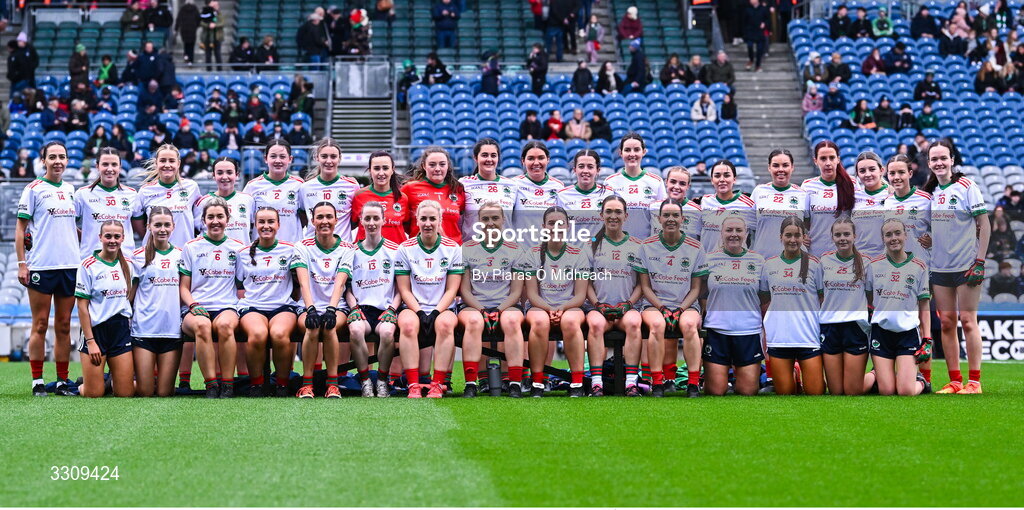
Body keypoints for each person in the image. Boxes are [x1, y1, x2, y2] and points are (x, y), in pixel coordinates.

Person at [923, 140, 989, 394]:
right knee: (948, 322)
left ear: (952, 160)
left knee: (968, 320)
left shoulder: (966, 186)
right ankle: (955, 381)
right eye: (934, 159)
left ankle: (974, 382)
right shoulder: (931, 193)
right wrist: (930, 240)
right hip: (940, 268)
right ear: (929, 164)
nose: (939, 163)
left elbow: (984, 225)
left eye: (943, 158)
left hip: (966, 266)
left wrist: (980, 261)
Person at [17, 142, 79, 396]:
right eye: (52, 157)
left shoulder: (71, 189)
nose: (57, 161)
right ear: (43, 160)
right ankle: (37, 382)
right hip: (42, 265)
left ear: (66, 160)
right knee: (40, 324)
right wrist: (23, 264)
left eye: (62, 157)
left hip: (70, 265)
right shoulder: (33, 189)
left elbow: (71, 228)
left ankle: (62, 381)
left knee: (64, 325)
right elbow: (21, 229)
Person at [635, 198, 707, 397]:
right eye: (666, 215)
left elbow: (696, 288)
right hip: (654, 304)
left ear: (683, 219)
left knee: (690, 326)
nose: (671, 219)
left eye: (675, 215)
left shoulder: (695, 247)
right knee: (657, 326)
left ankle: (693, 383)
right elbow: (645, 286)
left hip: (686, 304)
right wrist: (662, 308)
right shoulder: (646, 246)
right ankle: (657, 382)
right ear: (659, 219)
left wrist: (681, 309)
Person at [232, 207, 305, 398]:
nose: (266, 226)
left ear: (278, 225)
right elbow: (239, 285)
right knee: (257, 334)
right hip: (253, 307)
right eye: (261, 222)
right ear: (255, 225)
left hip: (282, 307)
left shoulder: (290, 250)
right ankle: (256, 385)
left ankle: (282, 384)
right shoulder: (243, 253)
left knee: (280, 334)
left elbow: (297, 283)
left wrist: (291, 299)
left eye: (271, 221)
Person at [457, 202, 528, 397]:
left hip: (507, 304)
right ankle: (472, 383)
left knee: (512, 321)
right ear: (479, 222)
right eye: (485, 219)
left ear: (503, 220)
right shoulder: (467, 248)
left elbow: (515, 292)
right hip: (474, 305)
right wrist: (482, 310)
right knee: (473, 322)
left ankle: (514, 382)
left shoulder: (514, 249)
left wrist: (497, 310)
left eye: (495, 218)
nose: (490, 223)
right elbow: (465, 290)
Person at [395, 200, 464, 398]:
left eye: (432, 219)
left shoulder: (452, 248)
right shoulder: (405, 248)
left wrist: (435, 312)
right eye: (423, 218)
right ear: (416, 220)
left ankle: (438, 383)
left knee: (444, 326)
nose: (427, 223)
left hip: (443, 307)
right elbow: (404, 289)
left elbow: (452, 289)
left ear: (440, 220)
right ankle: (413, 383)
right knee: (408, 325)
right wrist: (418, 311)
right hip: (413, 306)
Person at [521, 206, 588, 397]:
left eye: (561, 223)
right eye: (551, 223)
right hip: (540, 305)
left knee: (570, 321)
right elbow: (532, 294)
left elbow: (580, 295)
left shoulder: (578, 254)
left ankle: (577, 382)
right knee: (539, 322)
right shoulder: (532, 254)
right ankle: (538, 382)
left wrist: (562, 308)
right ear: (543, 226)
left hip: (571, 305)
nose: (556, 227)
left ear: (567, 226)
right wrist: (550, 308)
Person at [579, 196, 643, 397]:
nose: (613, 216)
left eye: (618, 212)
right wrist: (597, 304)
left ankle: (631, 382)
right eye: (609, 212)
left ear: (626, 215)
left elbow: (642, 283)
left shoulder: (637, 245)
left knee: (634, 323)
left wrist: (628, 304)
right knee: (596, 325)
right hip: (599, 308)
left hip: (628, 308)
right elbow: (585, 282)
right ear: (601, 215)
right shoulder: (590, 244)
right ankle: (596, 383)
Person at [861, 219, 932, 396]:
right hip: (881, 333)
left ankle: (922, 382)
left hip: (907, 334)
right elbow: (869, 299)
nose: (894, 238)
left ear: (905, 235)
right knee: (886, 391)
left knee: (906, 391)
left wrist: (927, 338)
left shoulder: (919, 266)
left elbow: (924, 305)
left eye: (897, 233)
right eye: (888, 234)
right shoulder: (873, 265)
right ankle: (878, 373)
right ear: (883, 238)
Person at [759, 217, 825, 395]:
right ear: (781, 237)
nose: (793, 240)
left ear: (804, 237)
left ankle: (798, 371)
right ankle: (795, 374)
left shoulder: (815, 264)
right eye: (788, 235)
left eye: (797, 235)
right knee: (786, 394)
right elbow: (765, 299)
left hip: (808, 336)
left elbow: (821, 297)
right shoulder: (769, 265)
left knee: (815, 393)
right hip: (780, 338)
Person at [294, 202, 354, 398]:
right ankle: (307, 384)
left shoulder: (346, 248)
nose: (324, 221)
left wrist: (330, 309)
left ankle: (332, 384)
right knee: (312, 328)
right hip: (308, 305)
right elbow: (304, 282)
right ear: (312, 221)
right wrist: (310, 309)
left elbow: (340, 283)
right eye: (320, 217)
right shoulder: (303, 246)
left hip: (336, 306)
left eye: (329, 217)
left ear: (336, 220)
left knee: (329, 326)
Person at [701, 215, 764, 395]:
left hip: (748, 331)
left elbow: (765, 297)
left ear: (746, 233)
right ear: (721, 233)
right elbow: (701, 292)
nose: (734, 234)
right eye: (729, 230)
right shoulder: (708, 259)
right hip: (717, 331)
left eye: (738, 230)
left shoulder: (758, 261)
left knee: (747, 392)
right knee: (716, 392)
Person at [345, 201, 401, 396]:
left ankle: (383, 380)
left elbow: (401, 287)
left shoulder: (395, 250)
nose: (371, 222)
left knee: (387, 333)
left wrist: (393, 309)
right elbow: (347, 287)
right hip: (361, 309)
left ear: (384, 220)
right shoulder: (352, 252)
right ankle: (365, 380)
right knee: (355, 329)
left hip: (385, 308)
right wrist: (353, 308)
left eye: (376, 218)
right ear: (360, 221)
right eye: (367, 218)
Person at [76, 220, 135, 398]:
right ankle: (83, 385)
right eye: (108, 236)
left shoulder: (129, 266)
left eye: (117, 236)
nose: (112, 240)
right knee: (93, 394)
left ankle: (109, 381)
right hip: (96, 332)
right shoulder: (88, 266)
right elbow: (82, 306)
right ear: (100, 237)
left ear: (123, 238)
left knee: (125, 394)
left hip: (120, 329)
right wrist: (91, 341)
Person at [129, 206, 182, 397]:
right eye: (157, 225)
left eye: (167, 225)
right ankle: (114, 381)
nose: (162, 229)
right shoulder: (137, 256)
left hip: (172, 332)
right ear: (149, 226)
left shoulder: (181, 256)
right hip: (144, 330)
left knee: (165, 393)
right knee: (145, 392)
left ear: (173, 226)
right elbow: (130, 295)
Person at [817, 217, 871, 395]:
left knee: (852, 391)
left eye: (847, 234)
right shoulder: (824, 261)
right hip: (830, 326)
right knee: (835, 392)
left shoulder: (866, 262)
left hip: (855, 327)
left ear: (855, 236)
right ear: (832, 237)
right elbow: (819, 293)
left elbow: (871, 296)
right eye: (838, 235)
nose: (842, 238)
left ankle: (875, 375)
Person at [132, 145, 201, 249]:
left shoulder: (191, 187)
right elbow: (137, 222)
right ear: (156, 163)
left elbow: (199, 220)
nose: (167, 165)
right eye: (163, 161)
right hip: (153, 253)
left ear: (178, 163)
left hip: (183, 253)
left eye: (172, 161)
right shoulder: (145, 191)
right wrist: (149, 237)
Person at [75, 148, 137, 261]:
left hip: (125, 260)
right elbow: (68, 225)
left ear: (120, 166)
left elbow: (140, 227)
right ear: (97, 166)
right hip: (92, 262)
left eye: (114, 164)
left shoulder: (132, 194)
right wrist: (86, 238)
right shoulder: (82, 194)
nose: (110, 169)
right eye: (105, 164)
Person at [603, 134, 667, 239]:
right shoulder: (610, 182)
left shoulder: (656, 181)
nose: (632, 154)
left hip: (647, 245)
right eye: (627, 150)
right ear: (620, 153)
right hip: (618, 244)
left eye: (636, 149)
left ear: (644, 152)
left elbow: (663, 217)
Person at [242, 140, 304, 243]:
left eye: (282, 157)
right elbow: (245, 220)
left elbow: (306, 217)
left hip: (291, 250)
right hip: (261, 251)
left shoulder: (299, 184)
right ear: (265, 159)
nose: (278, 161)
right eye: (273, 156)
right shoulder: (252, 186)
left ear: (290, 159)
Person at [400, 147, 465, 243]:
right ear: (424, 166)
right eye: (432, 165)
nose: (437, 169)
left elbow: (462, 222)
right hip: (420, 251)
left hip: (453, 252)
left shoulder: (457, 189)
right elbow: (400, 222)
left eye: (442, 164)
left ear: (448, 166)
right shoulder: (409, 189)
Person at [803, 141, 856, 257]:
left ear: (838, 159)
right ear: (815, 161)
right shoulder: (807, 186)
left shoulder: (851, 184)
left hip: (845, 255)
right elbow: (804, 220)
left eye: (832, 158)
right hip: (816, 253)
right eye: (823, 158)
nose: (828, 163)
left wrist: (889, 188)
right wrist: (802, 234)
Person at [299, 139, 360, 241]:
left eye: (333, 156)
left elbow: (354, 221)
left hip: (342, 249)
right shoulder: (305, 187)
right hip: (313, 249)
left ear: (339, 158)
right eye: (324, 156)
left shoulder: (352, 186)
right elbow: (302, 217)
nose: (329, 161)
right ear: (317, 157)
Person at [459, 139, 519, 242]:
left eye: (493, 155)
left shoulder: (512, 185)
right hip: (473, 251)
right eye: (484, 155)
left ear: (498, 158)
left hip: (505, 251)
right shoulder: (463, 184)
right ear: (475, 158)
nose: (489, 159)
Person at [751, 149, 808, 256]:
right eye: (776, 165)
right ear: (769, 167)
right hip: (763, 259)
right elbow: (748, 228)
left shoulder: (803, 194)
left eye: (785, 165)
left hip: (795, 260)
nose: (780, 169)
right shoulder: (758, 192)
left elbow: (811, 225)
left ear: (792, 167)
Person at [513, 141, 564, 248]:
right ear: (523, 161)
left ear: (548, 159)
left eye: (541, 158)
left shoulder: (558, 186)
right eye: (531, 158)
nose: (536, 162)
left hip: (548, 251)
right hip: (521, 252)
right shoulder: (514, 184)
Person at [193, 157, 255, 244]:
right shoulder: (202, 202)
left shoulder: (248, 200)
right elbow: (196, 232)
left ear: (237, 175)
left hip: (241, 256)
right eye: (220, 173)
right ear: (213, 175)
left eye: (229, 172)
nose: (225, 177)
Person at [351, 151, 409, 244]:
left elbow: (409, 228)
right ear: (370, 170)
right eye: (377, 168)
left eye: (385, 168)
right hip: (366, 255)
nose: (381, 173)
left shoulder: (402, 198)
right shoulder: (359, 196)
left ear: (392, 170)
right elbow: (350, 225)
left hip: (394, 255)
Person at [699, 159, 757, 252]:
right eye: (717, 176)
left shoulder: (748, 205)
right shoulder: (704, 202)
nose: (722, 179)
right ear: (712, 180)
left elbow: (763, 231)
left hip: (737, 263)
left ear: (734, 179)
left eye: (727, 175)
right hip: (708, 263)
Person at [556, 149, 613, 235]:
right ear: (575, 170)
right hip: (571, 246)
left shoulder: (608, 194)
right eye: (581, 166)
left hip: (600, 246)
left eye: (590, 167)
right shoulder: (562, 195)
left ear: (598, 170)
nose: (585, 171)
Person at [741, 0, 769, 72]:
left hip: (759, 32)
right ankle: (751, 59)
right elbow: (744, 21)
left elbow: (767, 19)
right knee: (749, 46)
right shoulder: (747, 9)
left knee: (759, 49)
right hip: (750, 31)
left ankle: (758, 65)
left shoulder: (763, 9)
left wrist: (764, 24)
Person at [176, 0, 201, 64]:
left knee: (186, 45)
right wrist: (196, 26)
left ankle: (186, 58)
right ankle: (191, 60)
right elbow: (198, 19)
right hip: (192, 29)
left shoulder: (182, 9)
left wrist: (176, 28)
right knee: (191, 46)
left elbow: (178, 19)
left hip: (184, 30)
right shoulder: (195, 9)